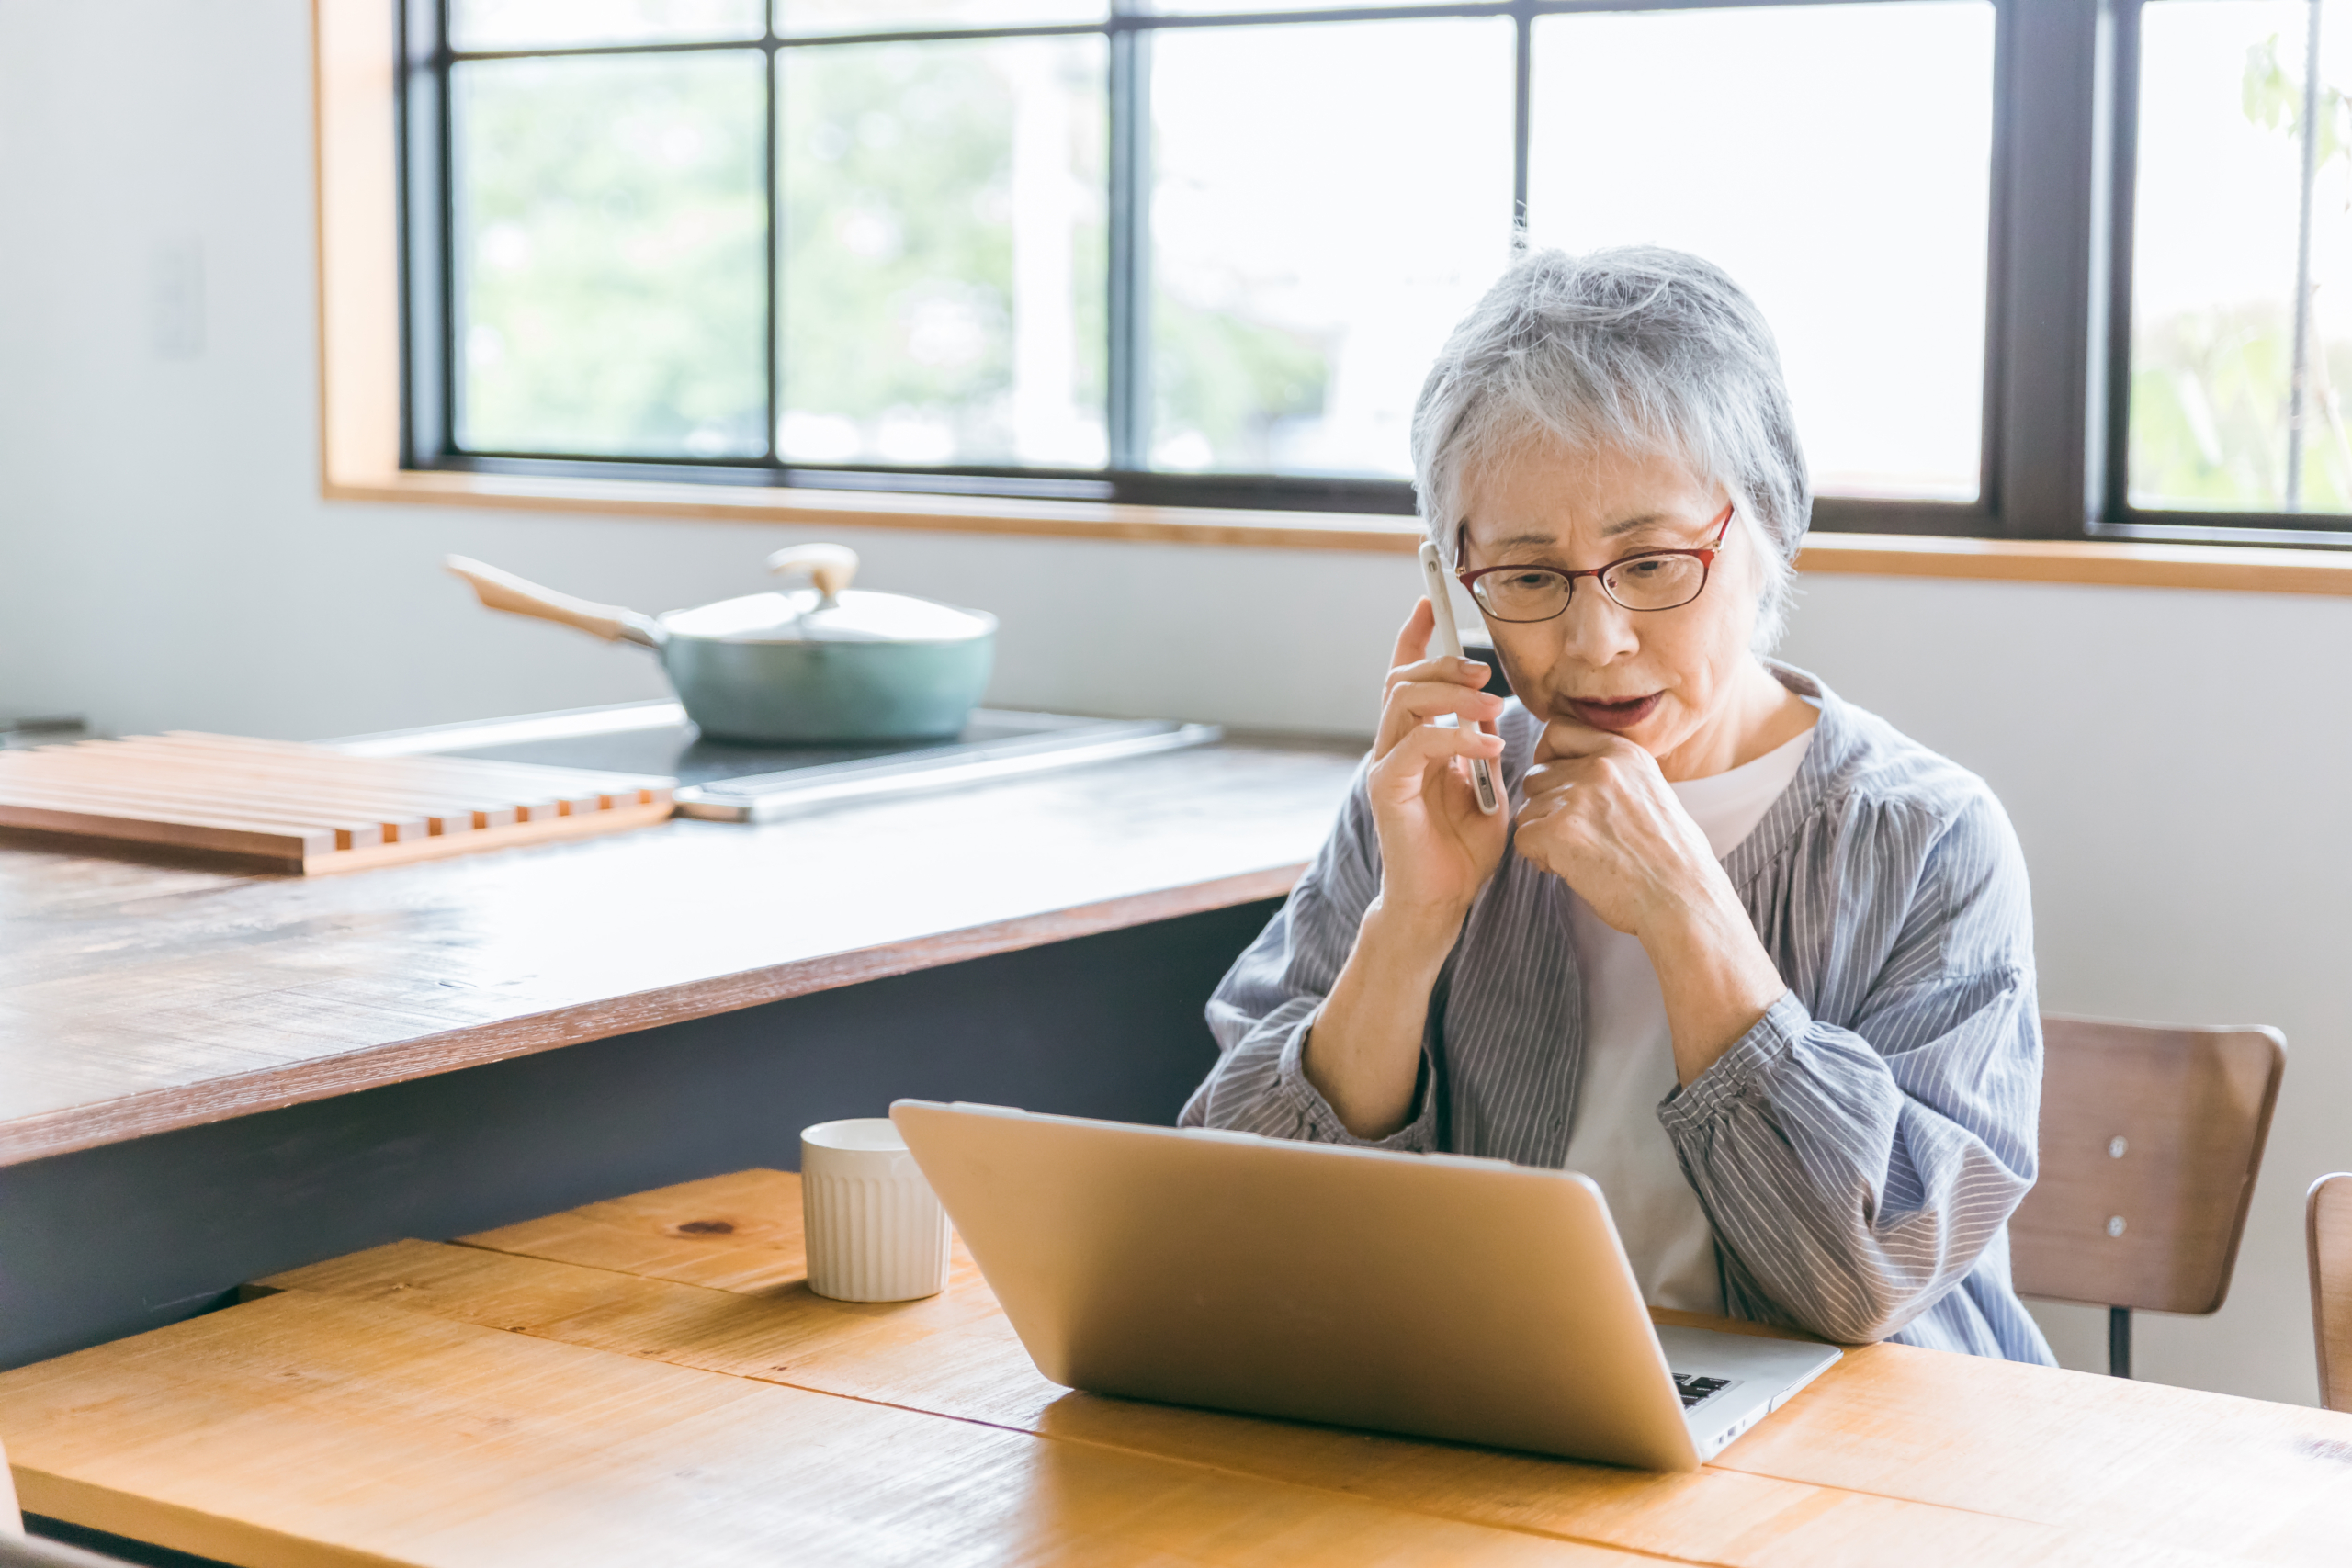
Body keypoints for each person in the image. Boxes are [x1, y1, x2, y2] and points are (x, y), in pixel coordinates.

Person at [1181, 246, 2052, 1362]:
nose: (1595, 644)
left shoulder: (1926, 836)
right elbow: (1243, 1227)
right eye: (1531, 580)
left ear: (1767, 526)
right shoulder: (1429, 794)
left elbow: (1866, 1271)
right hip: (1506, 1417)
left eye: (1650, 563)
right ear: (1455, 580)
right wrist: (1409, 927)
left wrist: (1687, 909)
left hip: (1853, 1463)